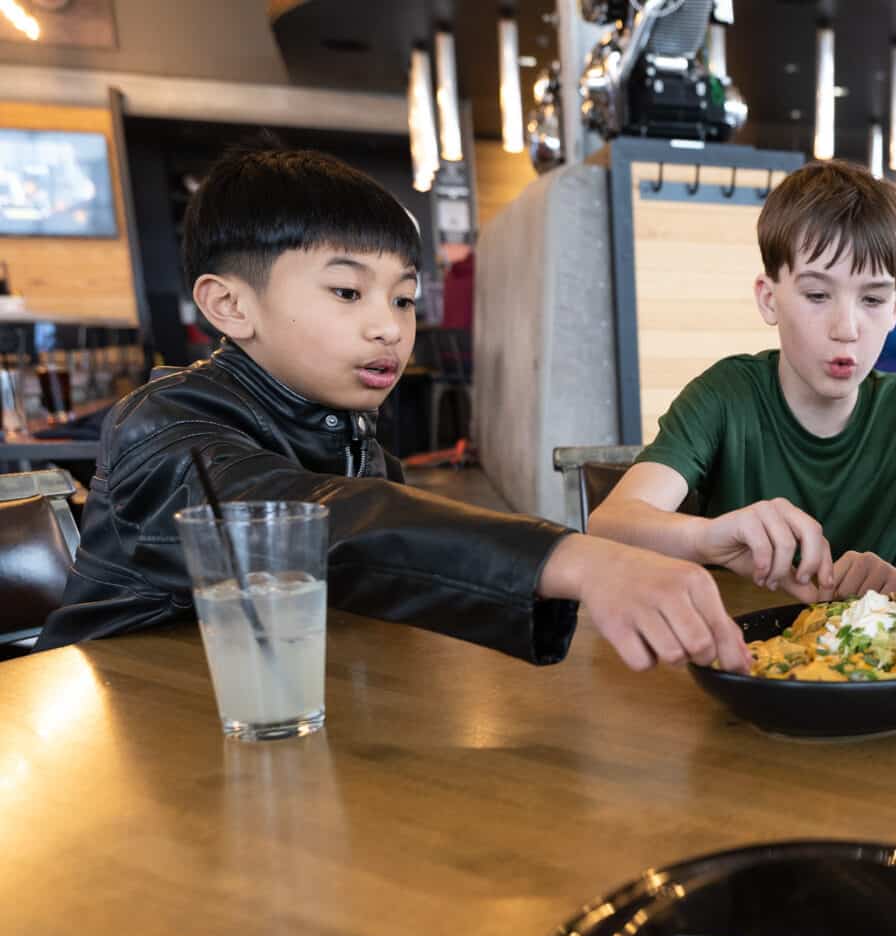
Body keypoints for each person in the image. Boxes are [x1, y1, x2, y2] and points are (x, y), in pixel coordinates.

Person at [38, 149, 747, 673]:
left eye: (403, 298)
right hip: (126, 758)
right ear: (230, 305)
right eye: (348, 293)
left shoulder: (345, 425)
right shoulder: (163, 430)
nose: (389, 327)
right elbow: (319, 525)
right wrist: (577, 559)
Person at [588, 161, 896, 596]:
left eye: (872, 299)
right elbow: (609, 524)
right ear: (768, 298)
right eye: (817, 295)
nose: (847, 328)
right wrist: (710, 537)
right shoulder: (726, 395)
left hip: (870, 657)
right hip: (735, 648)